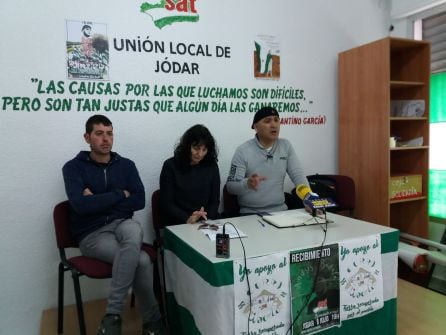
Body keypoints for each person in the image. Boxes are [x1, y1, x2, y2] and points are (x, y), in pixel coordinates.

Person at [62, 115, 164, 335]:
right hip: (92, 234)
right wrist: (119, 194)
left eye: (109, 133)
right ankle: (152, 322)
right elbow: (80, 206)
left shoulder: (126, 165)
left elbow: (139, 200)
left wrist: (96, 199)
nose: (105, 139)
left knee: (134, 228)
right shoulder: (72, 168)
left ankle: (112, 316)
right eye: (99, 134)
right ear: (87, 137)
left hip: (123, 225)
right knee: (142, 260)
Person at [226, 106, 309, 214]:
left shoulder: (285, 146)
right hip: (250, 214)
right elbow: (231, 186)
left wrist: (309, 198)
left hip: (281, 212)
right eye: (267, 121)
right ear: (256, 127)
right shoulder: (243, 151)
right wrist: (248, 184)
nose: (273, 125)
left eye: (276, 120)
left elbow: (298, 175)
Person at [160, 124, 220, 226]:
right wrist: (187, 218)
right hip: (179, 221)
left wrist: (207, 218)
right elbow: (167, 203)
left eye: (204, 150)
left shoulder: (211, 166)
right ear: (187, 146)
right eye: (196, 148)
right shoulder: (170, 166)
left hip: (206, 221)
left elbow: (215, 200)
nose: (200, 154)